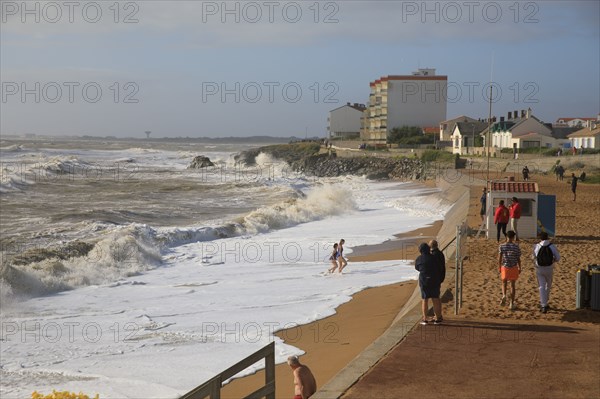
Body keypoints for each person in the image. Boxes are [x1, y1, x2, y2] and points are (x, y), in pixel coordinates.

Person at [415, 243, 444, 325]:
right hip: (434, 281)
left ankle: (425, 319)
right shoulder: (434, 258)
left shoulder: (419, 259)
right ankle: (438, 318)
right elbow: (439, 267)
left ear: (420, 251)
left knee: (425, 300)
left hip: (424, 281)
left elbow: (417, 268)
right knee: (436, 299)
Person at [533, 232, 560, 313]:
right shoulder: (552, 246)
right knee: (548, 285)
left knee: (541, 286)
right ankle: (545, 301)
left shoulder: (537, 246)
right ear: (547, 238)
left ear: (540, 238)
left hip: (539, 268)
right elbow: (558, 258)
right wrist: (553, 260)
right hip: (549, 267)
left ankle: (543, 303)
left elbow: (533, 256)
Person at [498, 230, 522, 310]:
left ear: (506, 237)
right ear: (513, 237)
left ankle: (504, 295)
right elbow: (518, 258)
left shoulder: (502, 246)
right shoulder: (516, 247)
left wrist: (499, 267)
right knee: (512, 285)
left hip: (505, 267)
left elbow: (500, 258)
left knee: (504, 282)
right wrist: (520, 267)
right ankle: (511, 303)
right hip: (513, 267)